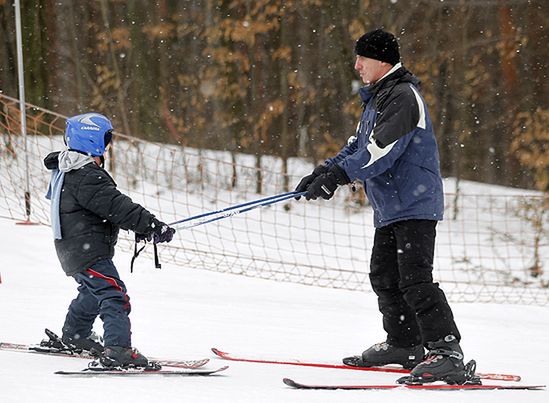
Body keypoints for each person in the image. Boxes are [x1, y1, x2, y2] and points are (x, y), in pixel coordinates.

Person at [295, 29, 469, 384]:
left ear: (383, 61)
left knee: (414, 279)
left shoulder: (404, 96)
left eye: (363, 58)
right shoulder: (378, 99)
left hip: (414, 204)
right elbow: (358, 146)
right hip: (391, 206)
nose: (357, 65)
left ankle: (447, 350)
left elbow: (382, 150)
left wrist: (340, 174)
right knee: (385, 277)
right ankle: (404, 344)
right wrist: (325, 170)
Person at [44, 112, 176, 368]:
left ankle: (76, 335)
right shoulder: (85, 175)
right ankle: (118, 350)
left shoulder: (71, 169)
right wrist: (150, 224)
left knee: (93, 292)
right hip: (87, 250)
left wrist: (142, 228)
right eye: (106, 139)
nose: (108, 146)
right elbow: (117, 206)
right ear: (93, 140)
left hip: (74, 249)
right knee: (114, 295)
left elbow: (104, 210)